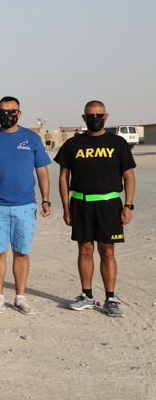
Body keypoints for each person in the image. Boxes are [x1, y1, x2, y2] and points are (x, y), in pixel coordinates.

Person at [56, 100, 136, 317]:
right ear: (84, 118)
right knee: (85, 249)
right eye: (91, 116)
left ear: (106, 116)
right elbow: (64, 177)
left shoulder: (118, 143)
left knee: (107, 251)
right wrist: (66, 206)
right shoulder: (72, 145)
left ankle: (110, 298)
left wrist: (128, 205)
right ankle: (86, 296)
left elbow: (128, 175)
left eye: (99, 115)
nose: (95, 119)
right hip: (80, 203)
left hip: (109, 204)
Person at [0, 96, 52, 315]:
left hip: (24, 205)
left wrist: (46, 200)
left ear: (19, 113)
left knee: (21, 253)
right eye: (2, 111)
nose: (6, 115)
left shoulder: (31, 138)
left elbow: (42, 171)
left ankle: (20, 297)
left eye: (10, 111)